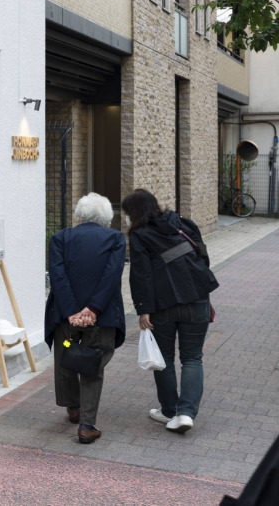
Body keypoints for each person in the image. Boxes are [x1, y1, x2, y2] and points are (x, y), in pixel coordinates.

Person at [123, 188, 217, 434]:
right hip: (197, 299)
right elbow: (202, 258)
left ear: (133, 213)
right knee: (192, 357)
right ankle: (186, 413)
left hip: (161, 305)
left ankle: (169, 411)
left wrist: (143, 310)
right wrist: (204, 297)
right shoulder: (183, 224)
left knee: (164, 360)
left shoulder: (139, 235)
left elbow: (140, 274)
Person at [45, 193, 126, 444]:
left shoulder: (61, 238)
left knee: (66, 356)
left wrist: (71, 311)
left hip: (66, 321)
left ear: (79, 215)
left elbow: (57, 276)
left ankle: (73, 407)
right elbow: (112, 276)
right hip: (100, 320)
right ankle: (87, 425)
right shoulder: (115, 238)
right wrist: (93, 309)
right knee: (93, 364)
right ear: (107, 218)